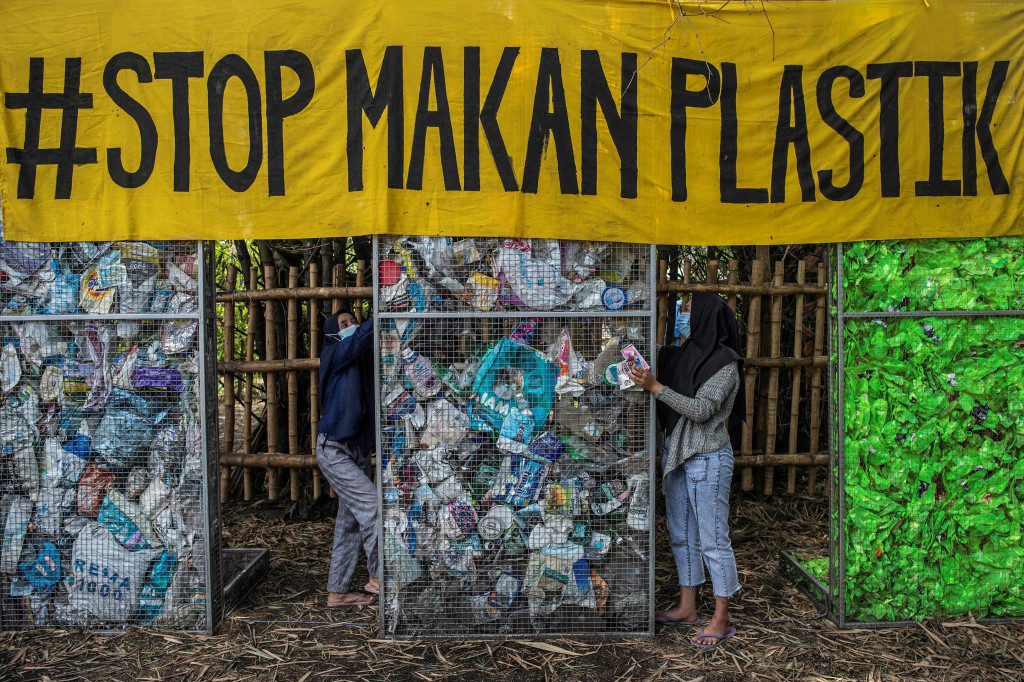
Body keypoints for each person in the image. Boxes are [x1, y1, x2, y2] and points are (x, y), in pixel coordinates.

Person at [627, 293, 745, 648]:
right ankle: (688, 607)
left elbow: (700, 410)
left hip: (708, 457)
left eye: (688, 311)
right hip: (678, 455)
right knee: (681, 535)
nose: (682, 316)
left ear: (705, 317)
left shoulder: (726, 363)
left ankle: (722, 619)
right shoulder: (680, 354)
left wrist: (654, 387)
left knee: (712, 539)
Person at [316, 308, 380, 607]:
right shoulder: (334, 353)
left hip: (358, 452)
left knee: (351, 522)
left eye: (353, 321)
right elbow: (355, 342)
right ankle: (379, 578)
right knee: (374, 508)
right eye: (343, 324)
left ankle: (338, 593)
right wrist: (379, 317)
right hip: (334, 450)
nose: (350, 326)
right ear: (332, 332)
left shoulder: (364, 360)